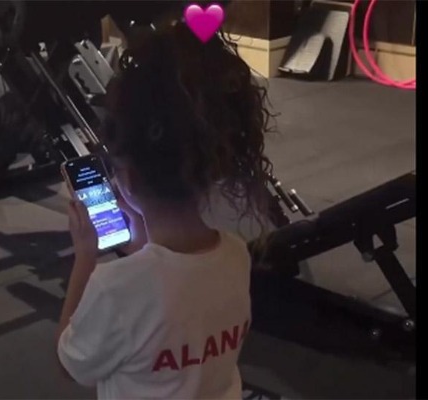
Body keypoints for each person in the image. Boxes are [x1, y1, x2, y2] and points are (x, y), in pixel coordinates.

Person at [56, 22, 275, 399]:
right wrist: (142, 236)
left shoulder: (115, 288)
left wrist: (85, 258)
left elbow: (69, 363)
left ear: (128, 177)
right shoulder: (236, 255)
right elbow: (175, 288)